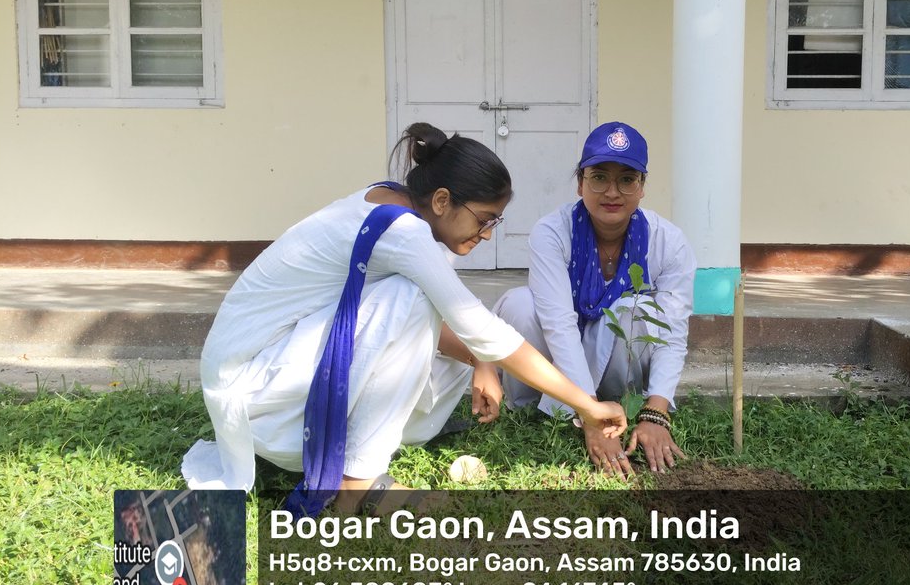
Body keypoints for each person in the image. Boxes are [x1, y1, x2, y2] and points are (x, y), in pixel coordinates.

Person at [182, 123, 626, 514]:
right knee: (415, 300)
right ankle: (354, 485)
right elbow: (483, 329)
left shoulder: (394, 204)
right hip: (256, 396)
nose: (488, 234)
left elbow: (466, 331)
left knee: (444, 327)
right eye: (485, 220)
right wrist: (587, 406)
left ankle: (366, 455)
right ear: (441, 200)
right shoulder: (405, 232)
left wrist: (483, 363)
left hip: (279, 373)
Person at [495, 122, 696, 478]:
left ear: (642, 187)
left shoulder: (668, 242)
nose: (612, 192)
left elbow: (673, 331)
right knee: (518, 304)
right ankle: (531, 407)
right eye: (599, 177)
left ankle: (611, 404)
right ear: (580, 183)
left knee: (637, 309)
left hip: (619, 371)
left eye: (627, 179)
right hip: (562, 364)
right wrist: (588, 414)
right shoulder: (552, 232)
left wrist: (656, 411)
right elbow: (558, 323)